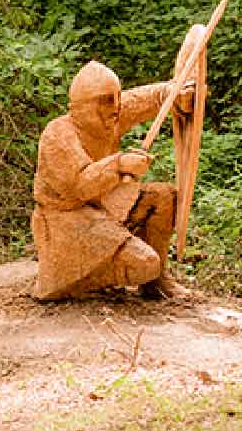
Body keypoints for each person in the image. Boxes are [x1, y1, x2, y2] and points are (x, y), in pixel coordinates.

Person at [30, 61, 189, 301]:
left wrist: (174, 93)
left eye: (115, 98)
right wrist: (119, 163)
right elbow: (80, 186)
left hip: (103, 204)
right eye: (105, 100)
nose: (115, 107)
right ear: (80, 107)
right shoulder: (58, 135)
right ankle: (71, 282)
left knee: (163, 197)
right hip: (68, 219)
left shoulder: (113, 114)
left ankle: (154, 283)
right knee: (144, 264)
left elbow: (149, 98)